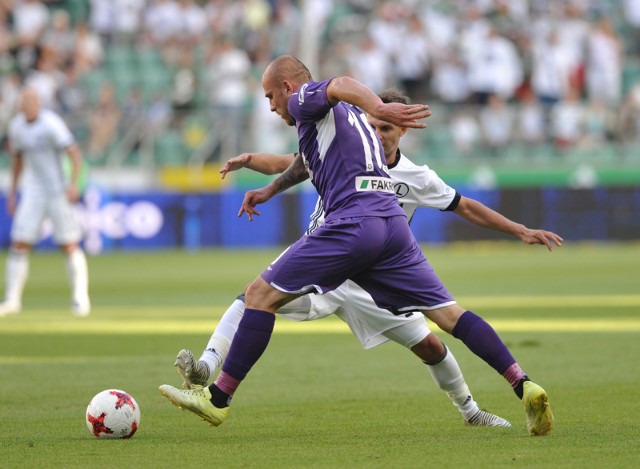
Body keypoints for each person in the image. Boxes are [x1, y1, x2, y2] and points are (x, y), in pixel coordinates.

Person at [160, 56, 557, 436]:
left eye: (269, 96)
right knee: (449, 315)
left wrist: (381, 106)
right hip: (390, 231)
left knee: (258, 294)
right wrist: (266, 185)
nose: (270, 106)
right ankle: (523, 384)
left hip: (351, 229)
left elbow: (342, 84)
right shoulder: (348, 127)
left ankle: (217, 398)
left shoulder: (306, 100)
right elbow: (299, 162)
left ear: (286, 87)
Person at [0, 88, 90, 317]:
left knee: (69, 244)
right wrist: (12, 192)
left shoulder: (52, 124)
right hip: (33, 190)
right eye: (26, 100)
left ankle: (80, 298)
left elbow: (74, 153)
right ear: (20, 104)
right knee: (19, 242)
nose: (30, 104)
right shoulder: (17, 127)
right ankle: (12, 300)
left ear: (39, 103)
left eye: (34, 100)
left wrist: (74, 184)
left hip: (57, 189)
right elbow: (18, 159)